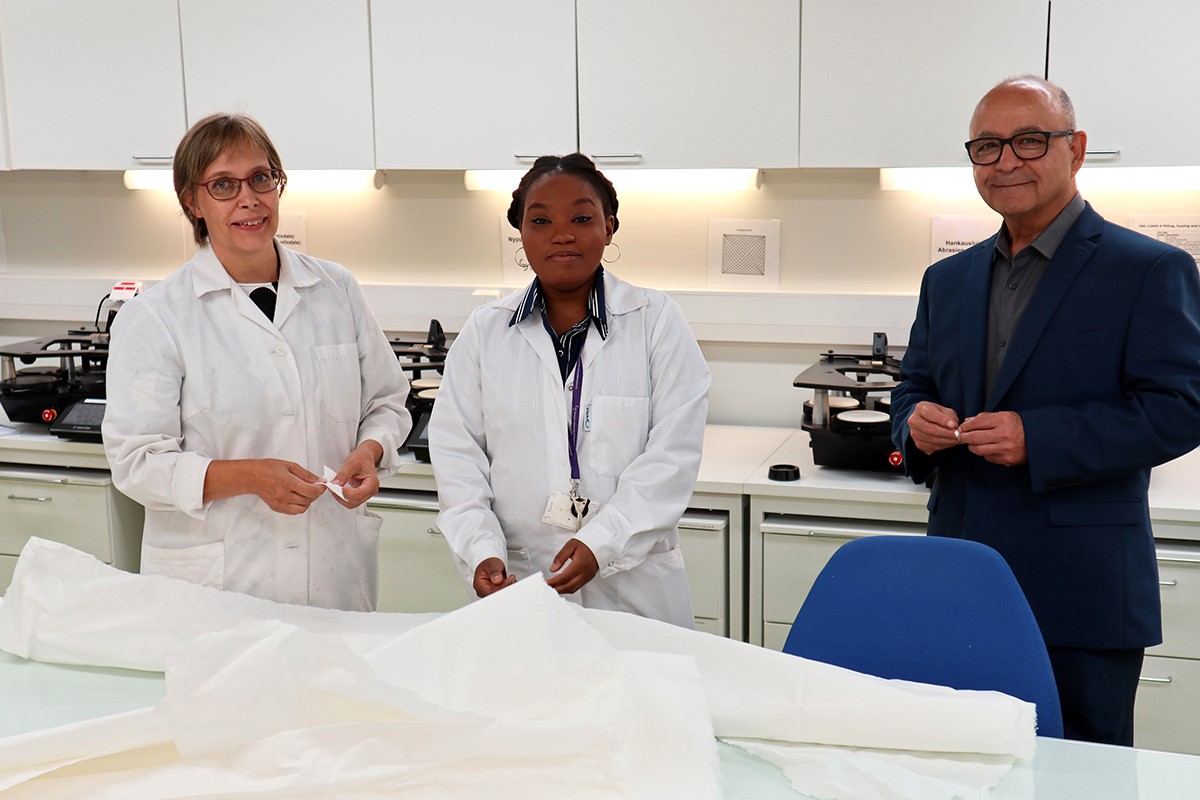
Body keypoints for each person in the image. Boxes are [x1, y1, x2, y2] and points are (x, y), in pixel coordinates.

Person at [891, 76, 1200, 745]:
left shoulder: (1148, 270)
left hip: (1082, 594)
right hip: (961, 579)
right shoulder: (948, 279)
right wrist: (912, 426)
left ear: (1076, 148)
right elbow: (911, 388)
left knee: (1084, 778)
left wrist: (1041, 437)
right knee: (962, 769)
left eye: (1028, 141)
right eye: (986, 147)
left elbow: (1180, 409)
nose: (1005, 162)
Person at [102, 113, 410, 612]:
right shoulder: (156, 316)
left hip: (331, 576)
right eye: (223, 185)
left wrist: (371, 452)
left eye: (261, 178)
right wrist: (248, 477)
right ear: (192, 202)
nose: (249, 199)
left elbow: (387, 401)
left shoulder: (336, 291)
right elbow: (136, 463)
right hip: (217, 593)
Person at [428, 154, 710, 627]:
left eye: (581, 218)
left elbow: (672, 458)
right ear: (521, 232)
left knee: (639, 699)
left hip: (631, 590)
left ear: (610, 227)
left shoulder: (656, 322)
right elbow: (458, 457)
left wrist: (604, 542)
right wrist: (480, 551)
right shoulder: (484, 332)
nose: (562, 234)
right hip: (521, 583)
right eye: (541, 220)